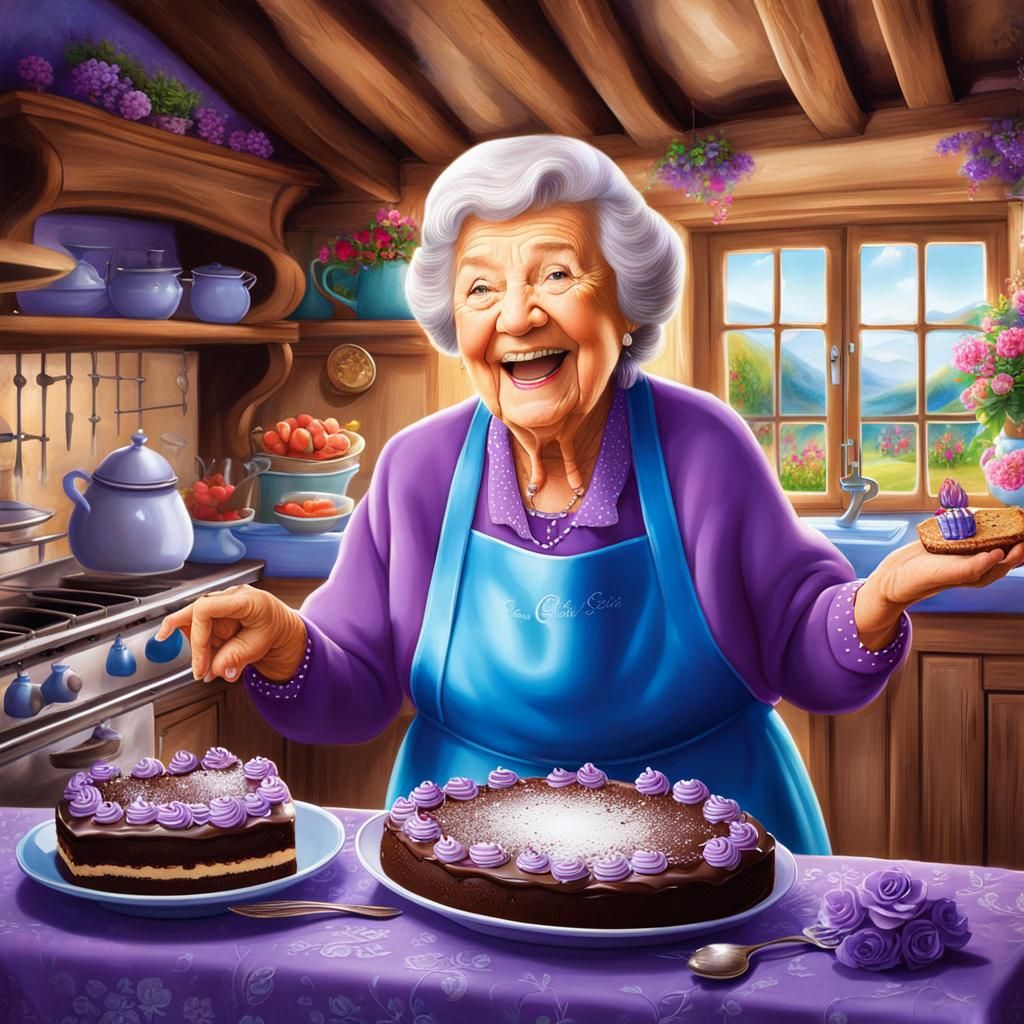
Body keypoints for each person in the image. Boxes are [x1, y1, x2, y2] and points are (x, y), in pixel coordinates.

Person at [157, 136, 1024, 854]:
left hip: (710, 844)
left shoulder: (703, 446)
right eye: (481, 288)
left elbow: (803, 645)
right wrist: (284, 644)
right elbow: (353, 689)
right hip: (467, 852)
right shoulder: (418, 468)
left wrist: (878, 597)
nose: (517, 315)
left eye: (557, 275)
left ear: (627, 307)